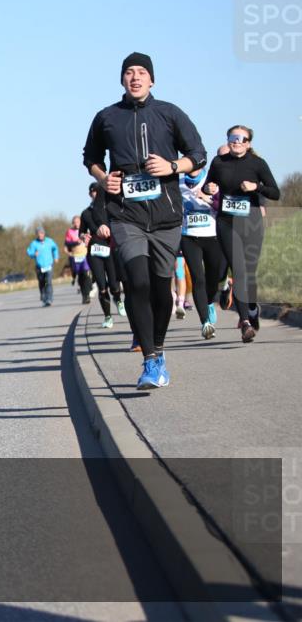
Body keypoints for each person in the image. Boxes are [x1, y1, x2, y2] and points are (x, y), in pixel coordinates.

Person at [83, 52, 206, 390]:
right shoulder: (106, 117)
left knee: (160, 289)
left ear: (151, 79)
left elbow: (198, 155)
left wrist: (172, 167)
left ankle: (159, 349)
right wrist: (102, 178)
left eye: (141, 72)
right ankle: (150, 360)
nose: (134, 77)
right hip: (126, 215)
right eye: (128, 72)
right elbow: (90, 158)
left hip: (166, 215)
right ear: (122, 79)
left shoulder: (169, 113)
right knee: (137, 281)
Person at [203, 125, 280, 342]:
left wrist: (256, 187)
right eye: (232, 137)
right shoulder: (218, 162)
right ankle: (245, 321)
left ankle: (252, 308)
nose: (236, 141)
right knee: (239, 272)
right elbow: (208, 184)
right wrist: (209, 188)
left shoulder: (258, 164)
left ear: (248, 143)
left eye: (241, 138)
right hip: (227, 222)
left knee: (250, 273)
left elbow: (275, 192)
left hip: (252, 222)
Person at [179, 166, 224, 339]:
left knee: (214, 277)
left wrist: (207, 198)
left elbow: (223, 206)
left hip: (212, 236)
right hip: (189, 237)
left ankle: (210, 301)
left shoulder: (212, 182)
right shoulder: (179, 183)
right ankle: (205, 322)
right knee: (198, 278)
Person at [80, 182, 125, 328]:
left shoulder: (109, 209)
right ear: (89, 194)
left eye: (97, 191)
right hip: (94, 251)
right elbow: (81, 231)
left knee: (114, 284)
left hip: (110, 249)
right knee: (102, 286)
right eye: (93, 192)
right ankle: (107, 317)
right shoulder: (86, 213)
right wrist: (83, 237)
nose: (95, 194)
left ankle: (118, 300)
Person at [26, 226, 59, 306]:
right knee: (41, 282)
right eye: (38, 233)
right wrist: (34, 254)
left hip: (49, 265)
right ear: (36, 235)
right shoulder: (34, 243)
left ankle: (49, 299)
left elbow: (55, 248)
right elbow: (29, 251)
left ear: (44, 233)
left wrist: (56, 257)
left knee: (48, 282)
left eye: (41, 233)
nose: (40, 235)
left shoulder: (50, 241)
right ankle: (43, 296)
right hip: (39, 266)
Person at [65, 216, 92, 304]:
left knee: (86, 275)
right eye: (75, 222)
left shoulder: (86, 229)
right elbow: (67, 243)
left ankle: (87, 294)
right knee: (80, 277)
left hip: (85, 255)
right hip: (75, 256)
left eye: (78, 222)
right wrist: (76, 242)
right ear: (73, 223)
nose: (76, 224)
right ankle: (84, 296)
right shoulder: (69, 231)